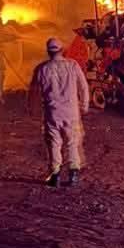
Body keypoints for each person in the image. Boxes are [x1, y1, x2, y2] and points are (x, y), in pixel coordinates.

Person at [29, 35, 90, 188]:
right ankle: (73, 174)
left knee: (54, 144)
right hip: (72, 113)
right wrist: (85, 104)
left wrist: (32, 109)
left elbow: (33, 92)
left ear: (48, 52)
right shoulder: (73, 65)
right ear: (62, 50)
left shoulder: (41, 68)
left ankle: (55, 175)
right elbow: (83, 87)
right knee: (72, 142)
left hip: (52, 113)